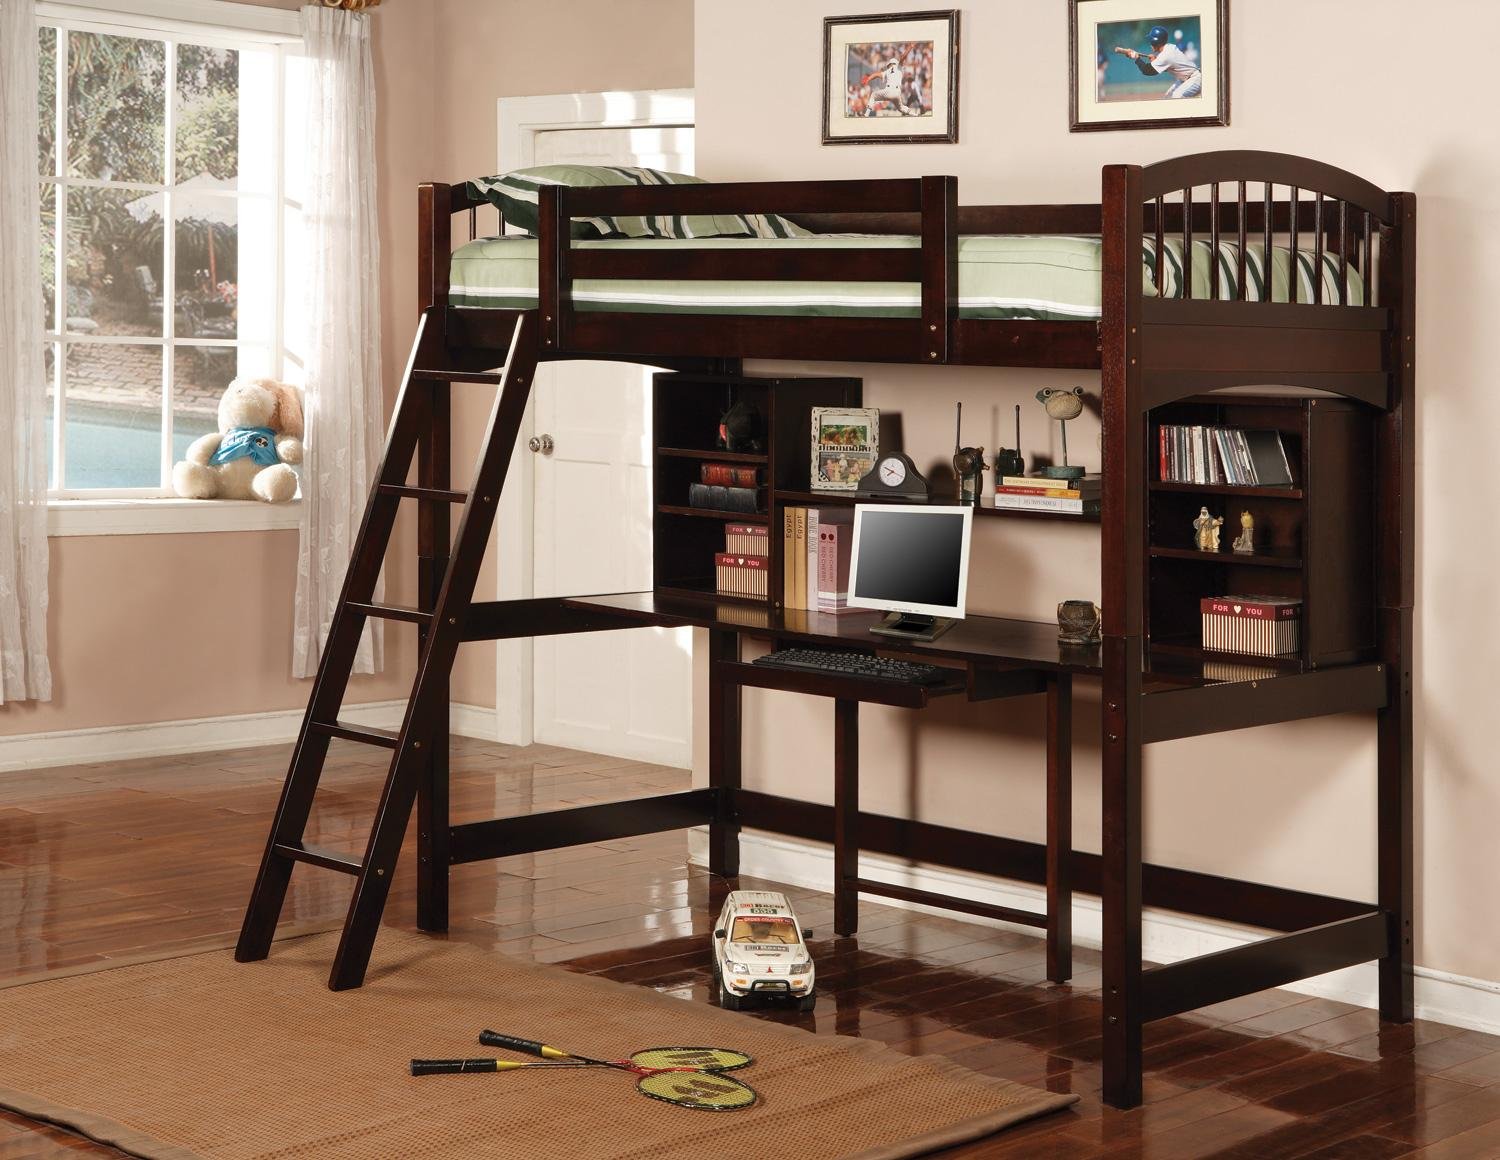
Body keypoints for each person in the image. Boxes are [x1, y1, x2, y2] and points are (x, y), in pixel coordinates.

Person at [1114, 25, 1203, 99]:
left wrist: (1136, 58)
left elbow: (1147, 70)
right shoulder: (1169, 48)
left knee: (1177, 96)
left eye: (1151, 40)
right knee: (1167, 97)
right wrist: (1156, 60)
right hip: (1186, 79)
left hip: (1195, 79)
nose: (1150, 43)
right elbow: (1169, 66)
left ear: (1156, 41)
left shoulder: (1166, 54)